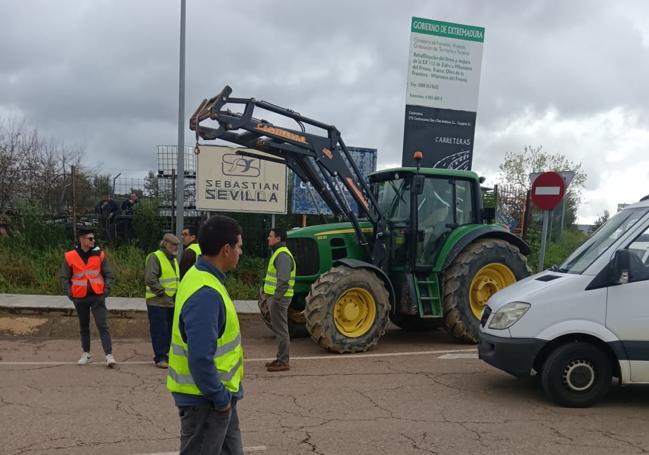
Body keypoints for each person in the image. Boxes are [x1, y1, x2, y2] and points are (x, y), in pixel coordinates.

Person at [167, 215, 245, 455]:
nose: (241, 252)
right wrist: (220, 400)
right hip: (207, 401)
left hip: (217, 397)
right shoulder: (206, 294)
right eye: (239, 247)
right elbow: (200, 358)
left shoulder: (200, 276)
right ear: (226, 250)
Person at [59, 227, 116, 367]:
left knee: (102, 325)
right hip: (79, 297)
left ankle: (109, 355)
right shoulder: (70, 256)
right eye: (90, 238)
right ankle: (86, 353)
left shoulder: (99, 254)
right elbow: (64, 277)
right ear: (82, 239)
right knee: (84, 326)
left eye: (93, 238)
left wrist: (106, 290)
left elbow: (108, 274)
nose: (93, 240)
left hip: (97, 296)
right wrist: (70, 293)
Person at [262, 227, 295, 372]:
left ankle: (283, 361)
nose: (268, 238)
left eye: (271, 236)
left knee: (281, 330)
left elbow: (283, 280)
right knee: (280, 329)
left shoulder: (282, 255)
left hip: (279, 299)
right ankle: (280, 358)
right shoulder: (279, 254)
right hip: (277, 298)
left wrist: (275, 299)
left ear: (279, 238)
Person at [145, 233, 181, 368]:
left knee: (170, 330)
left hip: (171, 301)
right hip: (157, 301)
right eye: (173, 245)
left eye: (177, 245)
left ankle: (167, 356)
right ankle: (160, 357)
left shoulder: (173, 259)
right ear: (165, 244)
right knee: (160, 330)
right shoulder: (155, 257)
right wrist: (162, 292)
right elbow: (150, 279)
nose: (175, 247)